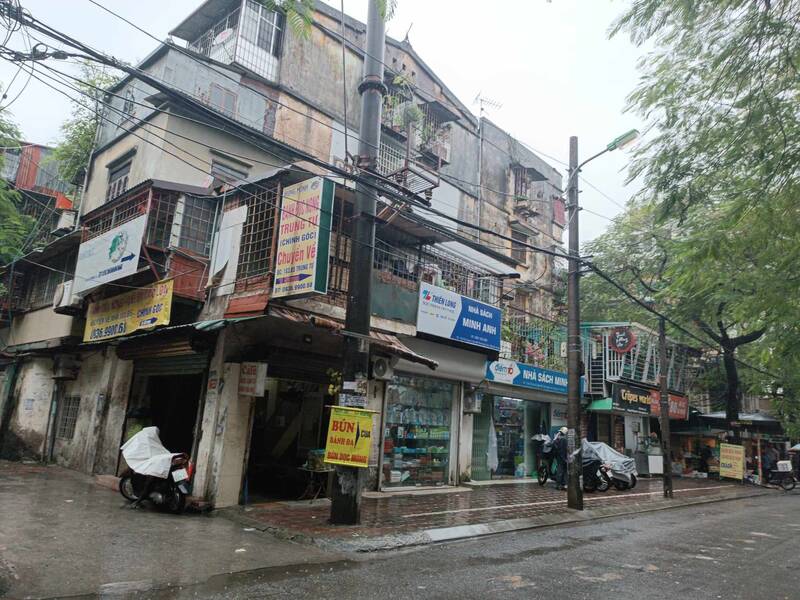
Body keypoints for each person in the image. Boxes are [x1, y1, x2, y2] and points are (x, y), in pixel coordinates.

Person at [553, 426, 569, 490]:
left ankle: (560, 484)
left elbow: (557, 447)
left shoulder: (561, 439)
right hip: (563, 457)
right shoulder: (563, 439)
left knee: (561, 471)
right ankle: (561, 484)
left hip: (561, 457)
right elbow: (562, 450)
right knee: (562, 471)